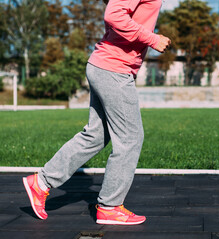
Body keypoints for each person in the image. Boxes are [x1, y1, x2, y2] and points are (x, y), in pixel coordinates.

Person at [23, 0, 171, 225]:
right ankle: (110, 206)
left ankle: (41, 182)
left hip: (108, 67)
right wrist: (153, 39)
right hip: (113, 69)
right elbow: (114, 14)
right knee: (130, 138)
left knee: (96, 135)